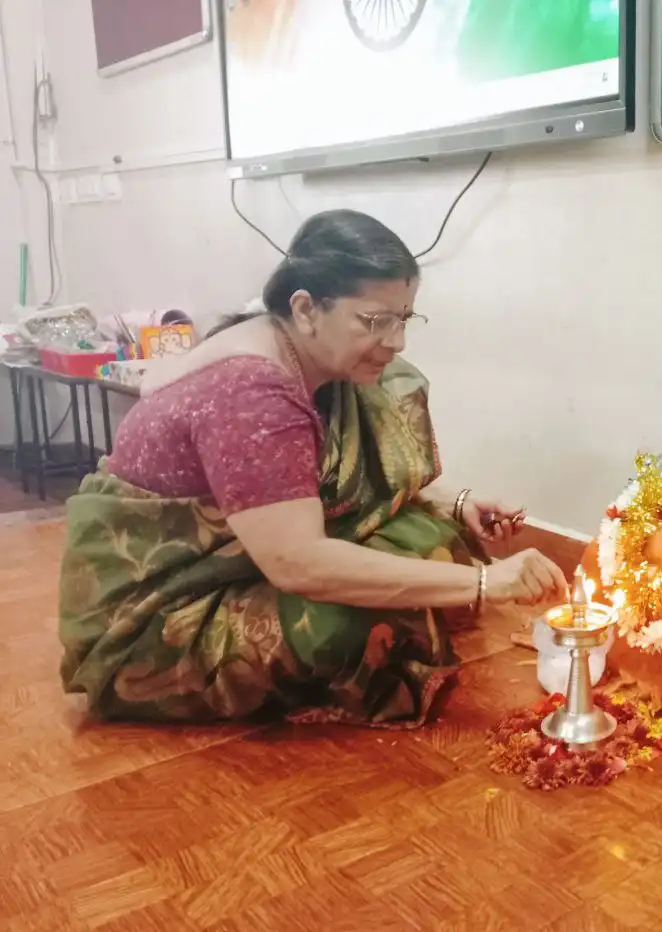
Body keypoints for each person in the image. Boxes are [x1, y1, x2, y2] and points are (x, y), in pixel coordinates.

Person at [58, 210, 566, 724]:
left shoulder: (312, 354)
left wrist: (455, 502)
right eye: (376, 321)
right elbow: (297, 562)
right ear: (305, 308)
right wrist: (487, 583)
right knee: (364, 623)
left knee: (434, 542)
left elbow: (350, 472)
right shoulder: (251, 394)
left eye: (404, 318)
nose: (397, 341)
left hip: (249, 551)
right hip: (159, 615)